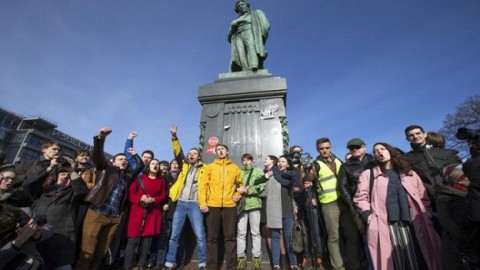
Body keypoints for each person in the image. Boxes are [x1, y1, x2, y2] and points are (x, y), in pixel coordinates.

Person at [354, 142, 442, 270]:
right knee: (395, 261)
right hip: (386, 223)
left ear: (390, 151)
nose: (379, 152)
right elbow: (360, 197)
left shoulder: (409, 173)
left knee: (419, 257)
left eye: (382, 149)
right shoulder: (368, 174)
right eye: (376, 151)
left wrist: (426, 213)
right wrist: (368, 216)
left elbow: (422, 196)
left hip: (414, 221)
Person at [75, 127, 144, 270]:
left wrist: (135, 154)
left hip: (114, 218)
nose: (124, 161)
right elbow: (97, 154)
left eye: (126, 159)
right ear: (113, 161)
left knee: (101, 253)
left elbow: (140, 165)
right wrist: (101, 138)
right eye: (120, 159)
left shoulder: (127, 176)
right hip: (97, 213)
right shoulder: (105, 169)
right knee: (87, 252)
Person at [23, 163, 89, 270]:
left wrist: (71, 170)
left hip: (62, 236)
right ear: (56, 176)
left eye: (68, 175)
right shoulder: (44, 190)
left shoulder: (72, 192)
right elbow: (27, 185)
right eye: (63, 173)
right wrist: (49, 168)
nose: (66, 176)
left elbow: (82, 190)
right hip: (37, 233)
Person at [163, 124, 207, 270]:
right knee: (174, 235)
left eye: (194, 153)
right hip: (181, 204)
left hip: (195, 204)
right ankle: (169, 263)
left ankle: (202, 263)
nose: (191, 154)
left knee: (200, 236)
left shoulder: (206, 169)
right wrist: (174, 137)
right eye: (190, 153)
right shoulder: (184, 165)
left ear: (199, 156)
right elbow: (178, 152)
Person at [200, 143, 243, 270]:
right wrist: (203, 203)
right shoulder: (210, 167)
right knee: (212, 237)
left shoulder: (235, 168)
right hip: (212, 205)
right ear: (215, 152)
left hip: (230, 206)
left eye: (222, 149)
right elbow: (203, 186)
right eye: (218, 149)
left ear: (227, 151)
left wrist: (237, 196)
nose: (220, 151)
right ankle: (211, 267)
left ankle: (231, 267)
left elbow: (241, 185)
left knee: (230, 237)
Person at [305, 138, 345, 270]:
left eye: (327, 147)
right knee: (334, 236)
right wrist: (307, 181)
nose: (325, 150)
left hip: (344, 201)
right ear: (318, 150)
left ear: (331, 147)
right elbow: (306, 180)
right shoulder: (316, 165)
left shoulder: (338, 160)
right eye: (322, 148)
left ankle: (353, 262)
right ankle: (338, 267)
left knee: (350, 235)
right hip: (329, 204)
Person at [338, 138, 375, 270]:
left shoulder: (374, 161)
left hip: (376, 203)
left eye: (357, 147)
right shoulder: (346, 166)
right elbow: (342, 186)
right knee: (354, 239)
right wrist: (352, 203)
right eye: (351, 148)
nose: (354, 150)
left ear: (364, 147)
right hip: (355, 206)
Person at [124, 159, 167, 270]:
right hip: (137, 211)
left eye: (157, 164)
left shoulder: (161, 181)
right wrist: (140, 199)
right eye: (153, 163)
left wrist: (154, 199)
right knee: (132, 240)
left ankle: (141, 265)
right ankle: (127, 266)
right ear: (149, 166)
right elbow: (131, 193)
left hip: (153, 212)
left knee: (147, 241)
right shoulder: (140, 178)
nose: (155, 165)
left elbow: (163, 195)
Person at [404, 125, 462, 202]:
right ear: (407, 139)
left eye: (418, 133)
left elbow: (461, 172)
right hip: (430, 199)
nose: (415, 136)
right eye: (411, 135)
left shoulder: (446, 153)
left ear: (425, 135)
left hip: (457, 194)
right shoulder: (406, 159)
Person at [264, 155, 298, 270]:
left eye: (283, 162)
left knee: (289, 237)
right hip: (274, 211)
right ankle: (276, 264)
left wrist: (295, 206)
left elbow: (294, 194)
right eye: (279, 162)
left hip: (288, 210)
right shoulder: (272, 176)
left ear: (288, 165)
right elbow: (264, 191)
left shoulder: (292, 177)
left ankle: (293, 263)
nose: (280, 163)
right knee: (275, 237)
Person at [236, 153, 266, 270]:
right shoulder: (238, 172)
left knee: (255, 233)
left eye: (248, 160)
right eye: (244, 160)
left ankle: (256, 258)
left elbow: (262, 186)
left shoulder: (258, 171)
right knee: (241, 233)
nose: (246, 162)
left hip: (254, 205)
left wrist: (248, 191)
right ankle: (241, 259)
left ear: (252, 161)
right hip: (242, 206)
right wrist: (238, 190)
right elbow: (234, 185)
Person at [0, 204, 53, 270]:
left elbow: (48, 228)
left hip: (32, 264)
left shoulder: (22, 213)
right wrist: (18, 242)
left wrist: (38, 234)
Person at [228, 0, 270, 72]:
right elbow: (229, 38)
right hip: (238, 36)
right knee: (241, 55)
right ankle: (244, 70)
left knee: (251, 47)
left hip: (249, 32)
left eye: (242, 5)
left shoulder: (255, 14)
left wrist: (261, 37)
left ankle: (253, 66)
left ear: (247, 5)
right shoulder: (235, 21)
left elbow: (266, 26)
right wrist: (232, 27)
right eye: (238, 7)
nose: (240, 7)